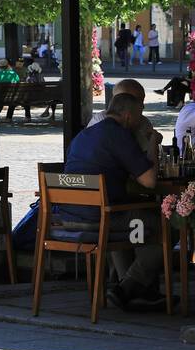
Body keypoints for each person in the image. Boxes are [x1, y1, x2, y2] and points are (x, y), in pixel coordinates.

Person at [60, 87, 165, 310]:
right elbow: (149, 182)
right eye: (138, 117)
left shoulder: (84, 135)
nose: (139, 122)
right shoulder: (118, 135)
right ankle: (127, 288)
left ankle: (133, 289)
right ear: (127, 116)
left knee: (129, 217)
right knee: (164, 224)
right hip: (100, 219)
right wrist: (153, 144)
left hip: (68, 217)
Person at [86, 77, 158, 156]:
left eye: (142, 101)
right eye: (135, 101)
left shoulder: (144, 123)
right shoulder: (100, 122)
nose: (142, 106)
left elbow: (146, 158)